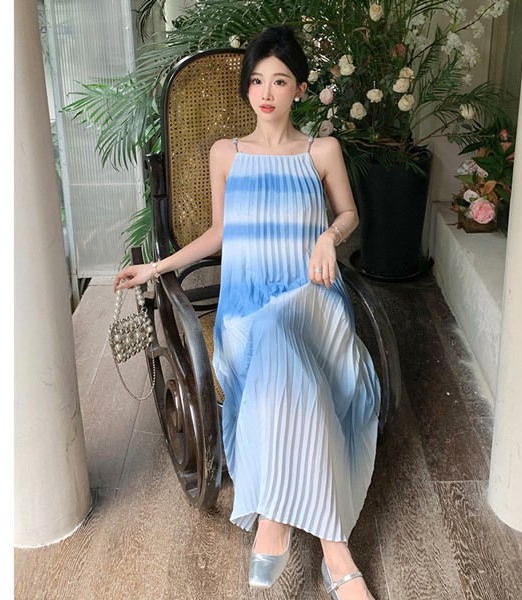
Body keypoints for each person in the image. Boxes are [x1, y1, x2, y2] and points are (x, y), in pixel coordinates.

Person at [113, 25, 379, 600]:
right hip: (247, 306)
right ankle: (335, 551)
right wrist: (155, 268)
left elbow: (349, 214)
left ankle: (273, 521)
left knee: (284, 333)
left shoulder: (322, 151)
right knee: (277, 344)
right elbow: (218, 233)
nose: (266, 92)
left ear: (300, 89)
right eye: (257, 80)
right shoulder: (226, 154)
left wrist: (329, 237)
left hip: (313, 300)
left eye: (280, 81)